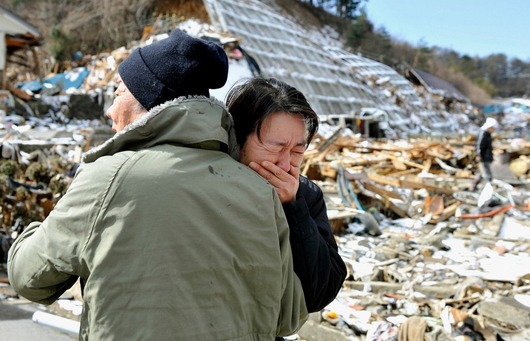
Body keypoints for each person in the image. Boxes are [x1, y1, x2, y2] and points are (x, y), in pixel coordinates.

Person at [8, 29, 307, 340]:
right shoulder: (258, 192)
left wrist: (37, 230)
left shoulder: (108, 178)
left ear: (144, 100)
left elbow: (28, 278)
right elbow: (288, 316)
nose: (110, 110)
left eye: (118, 92)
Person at [225, 78, 347, 317]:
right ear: (237, 140)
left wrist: (293, 209)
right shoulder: (207, 185)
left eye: (297, 150)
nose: (285, 163)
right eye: (275, 147)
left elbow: (321, 293)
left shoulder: (305, 196)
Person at [472, 117, 499, 191]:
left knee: (481, 172)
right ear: (490, 127)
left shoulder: (487, 134)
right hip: (483, 157)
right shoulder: (483, 133)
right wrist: (478, 154)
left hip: (486, 156)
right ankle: (489, 187)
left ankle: (475, 186)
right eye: (493, 128)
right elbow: (479, 145)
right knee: (486, 172)